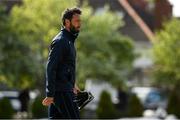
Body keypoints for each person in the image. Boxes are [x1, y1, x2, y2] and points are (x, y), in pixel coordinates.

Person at [42, 7, 82, 119]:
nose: (80, 24)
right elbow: (51, 68)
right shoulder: (60, 41)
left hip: (65, 89)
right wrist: (50, 94)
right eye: (77, 21)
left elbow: (64, 67)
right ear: (67, 22)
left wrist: (73, 84)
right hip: (62, 91)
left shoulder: (69, 41)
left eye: (80, 21)